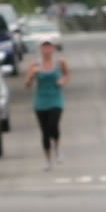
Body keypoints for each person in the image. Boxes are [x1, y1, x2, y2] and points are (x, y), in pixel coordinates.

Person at [27, 36, 66, 166]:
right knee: (44, 131)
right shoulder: (35, 64)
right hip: (41, 102)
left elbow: (67, 74)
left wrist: (62, 80)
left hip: (56, 99)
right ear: (40, 49)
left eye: (49, 46)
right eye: (44, 46)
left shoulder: (60, 62)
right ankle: (47, 160)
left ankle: (57, 148)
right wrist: (32, 75)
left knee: (53, 125)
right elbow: (27, 84)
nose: (47, 49)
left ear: (53, 48)